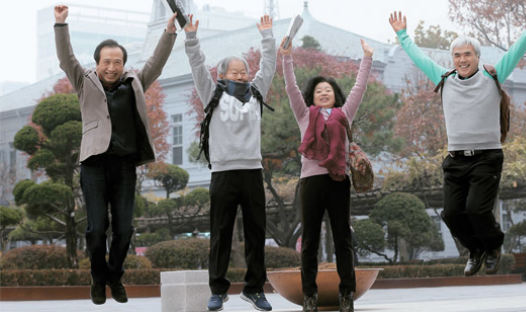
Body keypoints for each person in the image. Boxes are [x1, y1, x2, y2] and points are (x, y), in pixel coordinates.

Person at [388, 0, 526, 276]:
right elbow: (419, 58)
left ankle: (494, 245)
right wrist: (403, 35)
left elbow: (518, 48)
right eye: (457, 55)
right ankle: (475, 250)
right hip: (456, 159)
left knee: (476, 210)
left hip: (487, 157)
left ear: (477, 56)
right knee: (450, 214)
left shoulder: (492, 76)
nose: (462, 60)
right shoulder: (445, 79)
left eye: (467, 54)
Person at [54, 5, 178, 305]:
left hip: (124, 166)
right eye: (107, 62)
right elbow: (65, 58)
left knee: (124, 229)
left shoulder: (134, 83)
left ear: (124, 63)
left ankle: (114, 275)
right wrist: (60, 25)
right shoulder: (84, 82)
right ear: (97, 63)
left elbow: (156, 64)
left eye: (118, 62)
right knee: (97, 229)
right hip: (94, 166)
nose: (112, 67)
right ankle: (98, 279)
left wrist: (168, 34)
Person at [183, 14, 276, 311]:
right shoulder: (212, 93)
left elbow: (269, 66)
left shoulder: (256, 92)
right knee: (221, 233)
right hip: (223, 172)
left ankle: (254, 289)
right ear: (222, 75)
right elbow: (198, 66)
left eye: (243, 71)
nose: (240, 75)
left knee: (255, 232)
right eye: (234, 72)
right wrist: (192, 38)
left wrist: (267, 36)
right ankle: (218, 289)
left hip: (251, 171)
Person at [280, 37, 374, 312]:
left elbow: (359, 87)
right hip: (310, 183)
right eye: (319, 90)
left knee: (343, 238)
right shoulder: (304, 115)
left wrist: (366, 58)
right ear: (313, 96)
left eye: (328, 90)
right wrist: (286, 57)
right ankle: (309, 295)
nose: (323, 93)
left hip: (338, 181)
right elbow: (291, 88)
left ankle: (347, 295)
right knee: (309, 241)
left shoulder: (345, 115)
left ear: (335, 96)